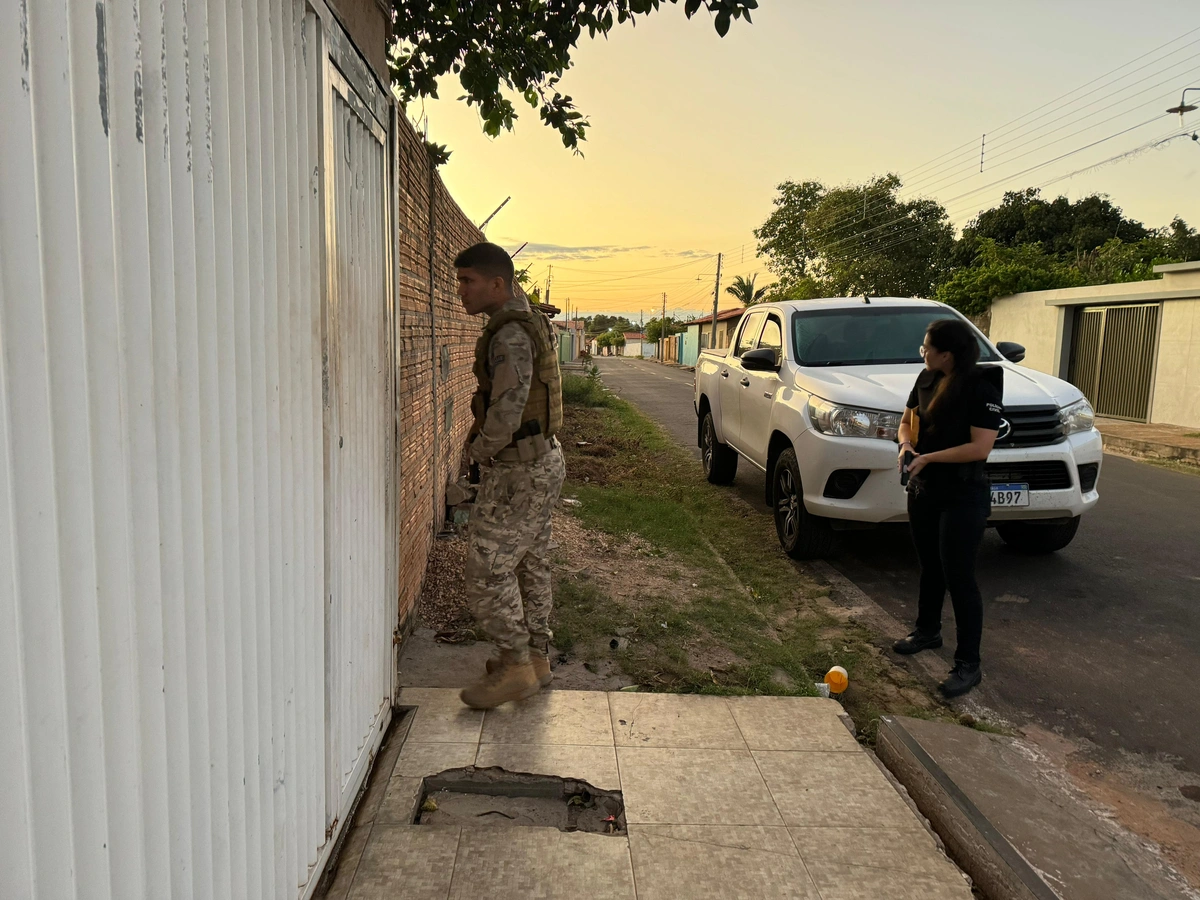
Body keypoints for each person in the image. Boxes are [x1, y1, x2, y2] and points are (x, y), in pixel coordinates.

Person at [455, 242, 566, 709]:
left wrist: (478, 451)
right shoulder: (529, 319)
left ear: (497, 284)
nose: (461, 292)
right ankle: (536, 659)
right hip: (542, 460)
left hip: (521, 469)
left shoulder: (510, 335)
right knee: (530, 561)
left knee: (485, 569)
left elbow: (508, 407)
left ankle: (516, 663)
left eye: (468, 282)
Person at [893, 318, 1002, 698]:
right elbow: (906, 421)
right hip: (924, 490)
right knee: (930, 566)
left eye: (927, 347)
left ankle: (968, 664)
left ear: (947, 354)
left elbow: (981, 447)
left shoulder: (980, 387)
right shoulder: (924, 380)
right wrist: (905, 446)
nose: (922, 352)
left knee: (960, 576)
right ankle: (927, 631)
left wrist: (931, 458)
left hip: (963, 494)